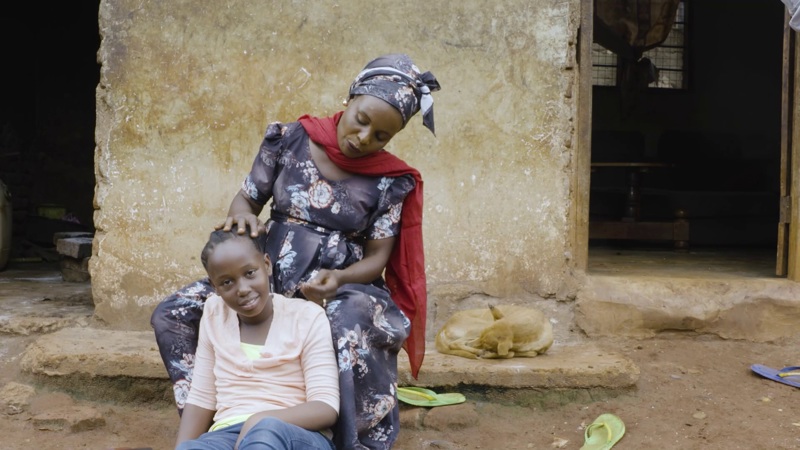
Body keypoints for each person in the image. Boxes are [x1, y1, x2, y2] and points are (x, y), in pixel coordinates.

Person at [151, 53, 441, 449]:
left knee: (348, 318)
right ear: (350, 98)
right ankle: (222, 424)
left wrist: (339, 278)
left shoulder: (389, 181)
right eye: (362, 120)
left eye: (381, 136)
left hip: (339, 283)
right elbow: (245, 202)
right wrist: (244, 221)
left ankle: (341, 438)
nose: (364, 138)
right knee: (174, 312)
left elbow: (378, 257)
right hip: (264, 274)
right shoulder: (291, 138)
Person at [175, 226, 339, 450]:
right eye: (226, 282)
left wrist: (259, 420)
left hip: (295, 435)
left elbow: (325, 407)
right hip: (227, 434)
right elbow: (202, 398)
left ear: (267, 264)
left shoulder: (306, 316)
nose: (242, 289)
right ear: (214, 288)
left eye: (250, 273)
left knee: (264, 434)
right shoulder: (214, 315)